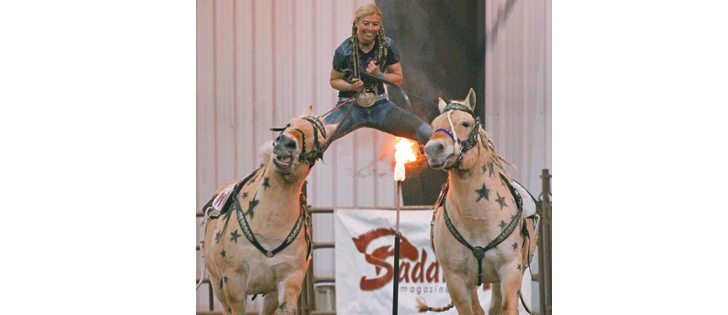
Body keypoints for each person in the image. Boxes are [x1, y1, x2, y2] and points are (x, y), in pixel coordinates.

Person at [324, 3, 432, 145]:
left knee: (427, 132)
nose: (370, 28)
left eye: (375, 24)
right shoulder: (344, 50)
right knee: (317, 136)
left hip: (380, 106)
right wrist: (352, 87)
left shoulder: (386, 45)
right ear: (356, 23)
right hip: (350, 107)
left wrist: (379, 74)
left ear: (379, 26)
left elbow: (398, 78)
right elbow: (334, 80)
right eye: (366, 23)